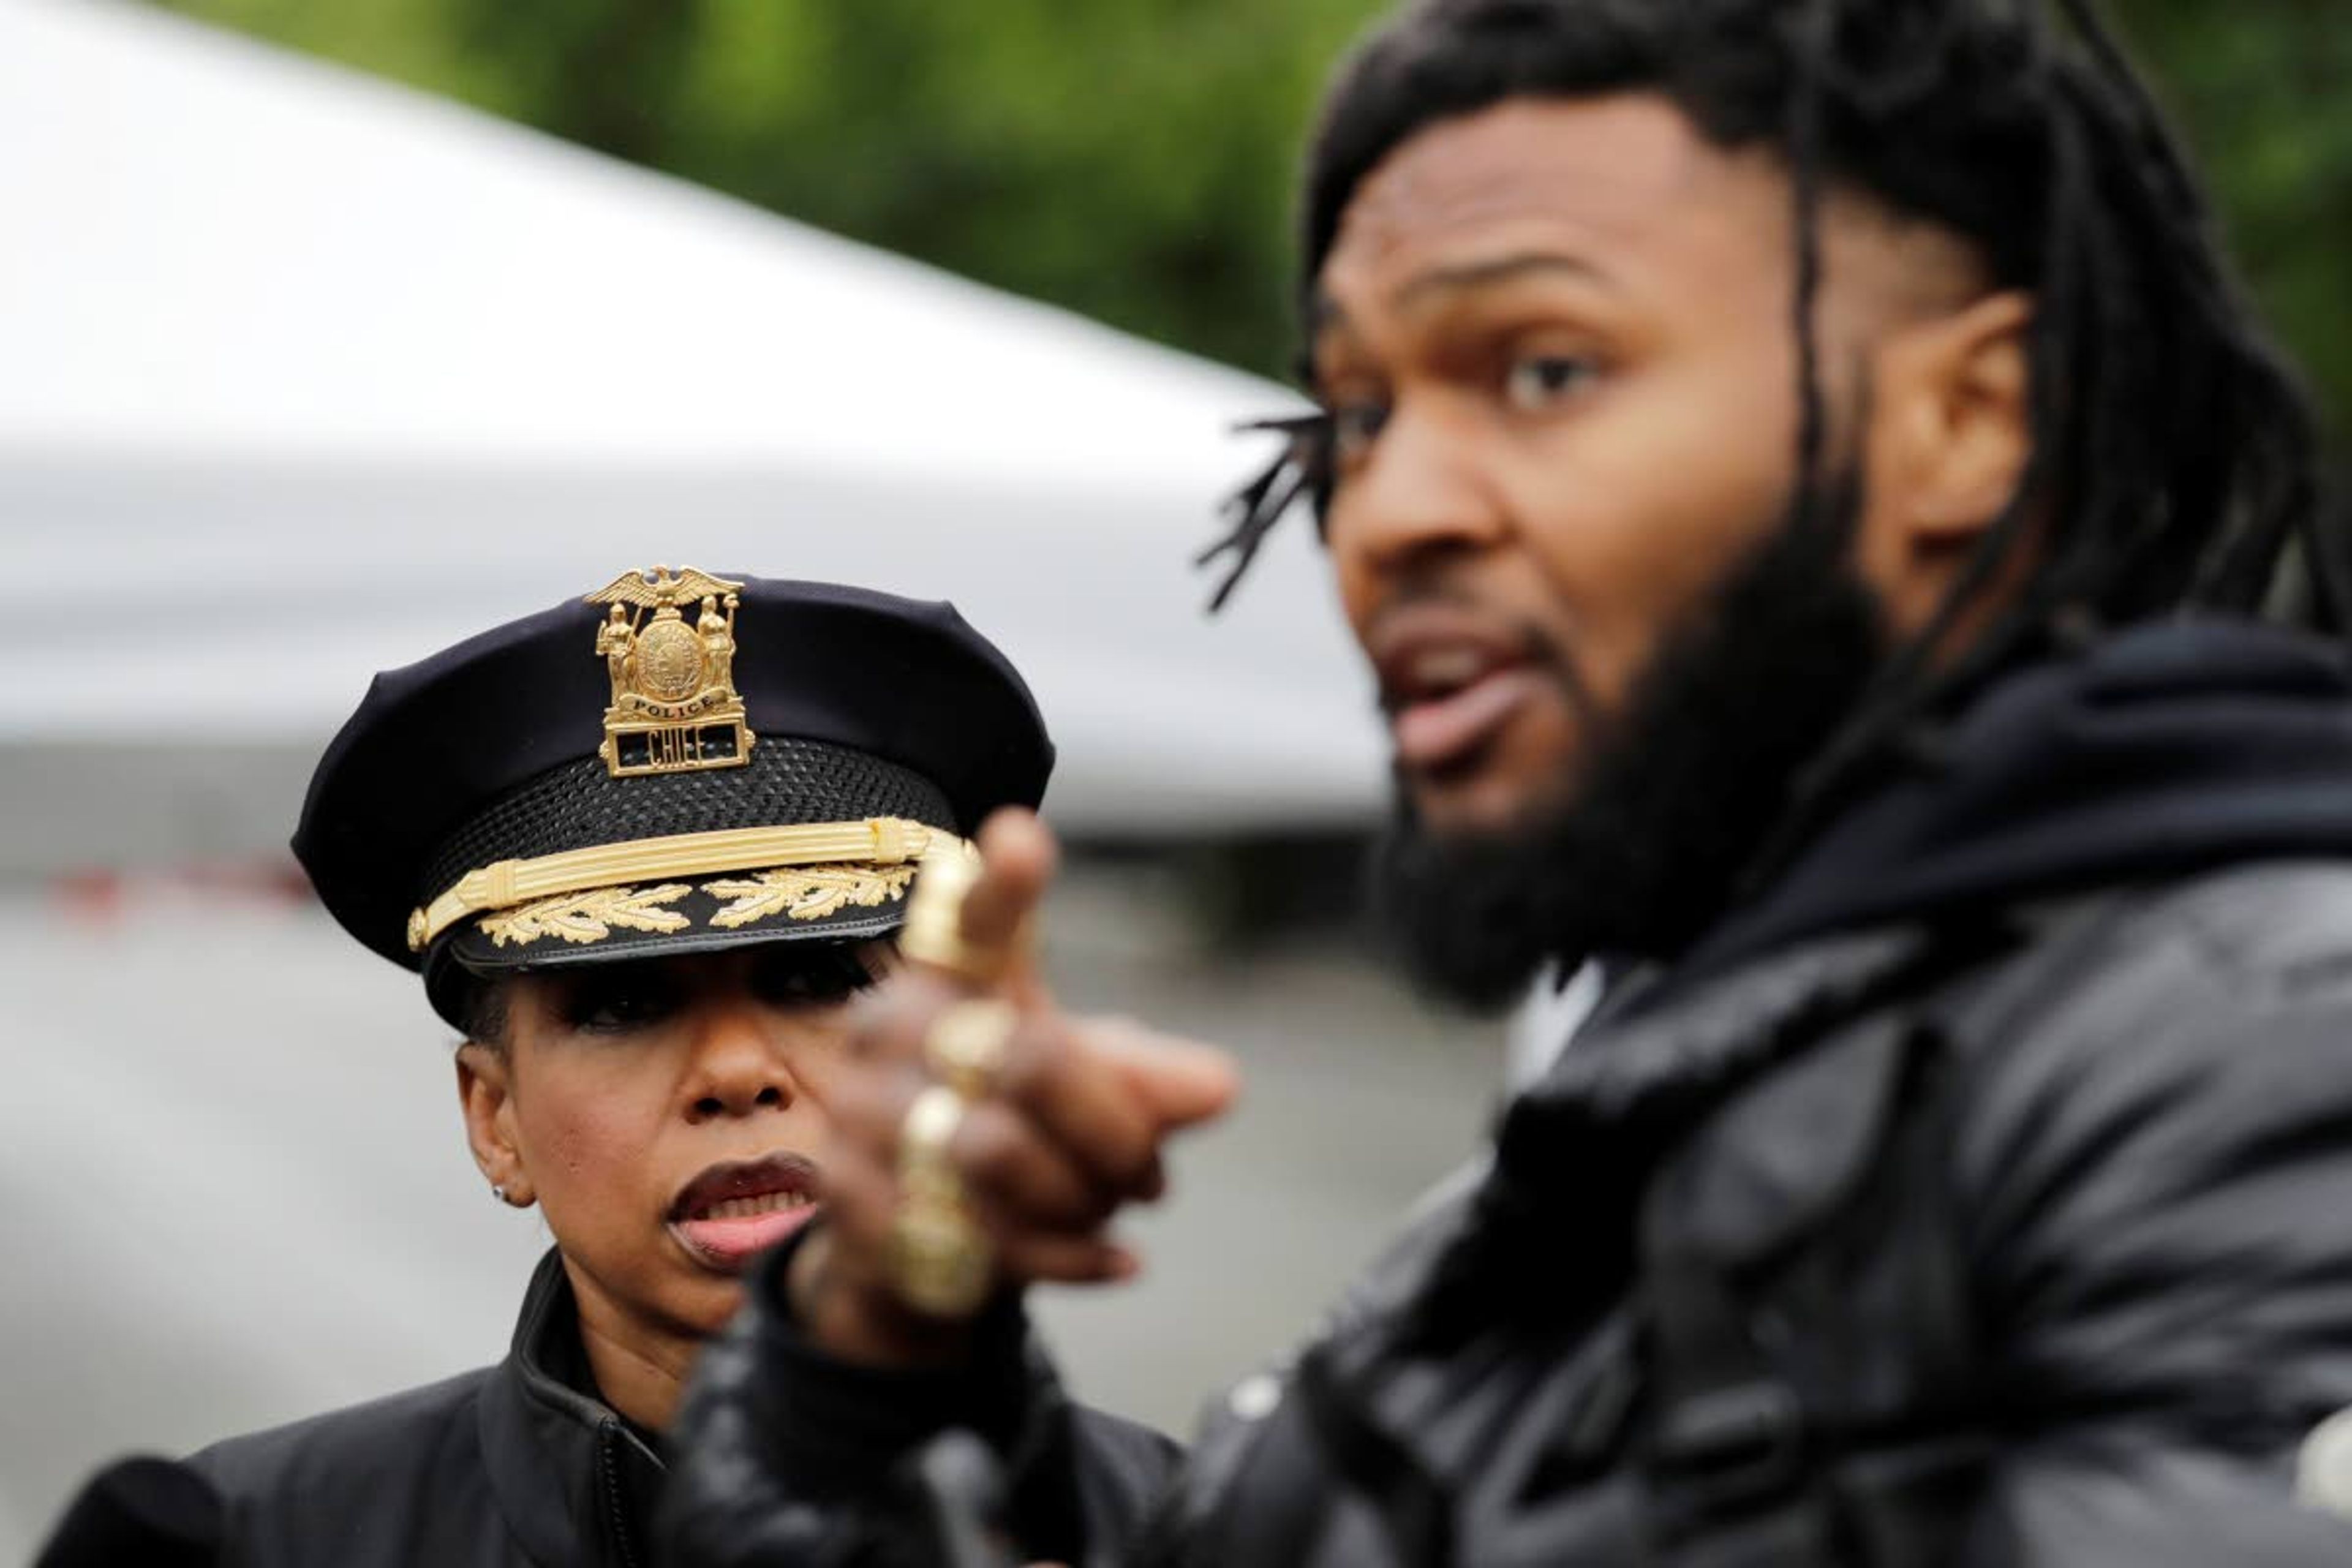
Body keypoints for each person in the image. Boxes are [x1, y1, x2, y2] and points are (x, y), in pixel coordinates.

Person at [660, 2, 2352, 1564]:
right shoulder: (1650, 1123)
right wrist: (880, 1343)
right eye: (1356, 414)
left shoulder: (2267, 1055)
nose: (1392, 512)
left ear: (1975, 418)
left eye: (1545, 370)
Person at [55, 567, 1166, 1567]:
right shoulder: (252, 1538)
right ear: (495, 1118)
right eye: (624, 1004)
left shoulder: (1196, 1523)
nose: (736, 1072)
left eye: (818, 978)